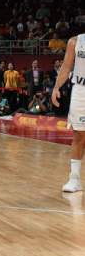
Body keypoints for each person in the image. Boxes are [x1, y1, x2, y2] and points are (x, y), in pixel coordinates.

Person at [50, 35, 85, 193]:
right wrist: (56, 87)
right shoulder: (76, 41)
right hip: (80, 90)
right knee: (78, 135)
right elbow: (66, 66)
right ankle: (75, 179)